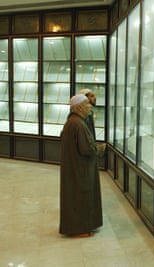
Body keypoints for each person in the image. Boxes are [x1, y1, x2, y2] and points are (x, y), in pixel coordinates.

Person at [59, 94, 104, 238]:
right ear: (78, 108)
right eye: (87, 104)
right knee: (80, 197)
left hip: (76, 167)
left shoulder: (74, 122)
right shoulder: (77, 124)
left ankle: (80, 227)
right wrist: (100, 149)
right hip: (80, 169)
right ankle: (78, 229)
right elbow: (87, 149)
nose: (90, 106)